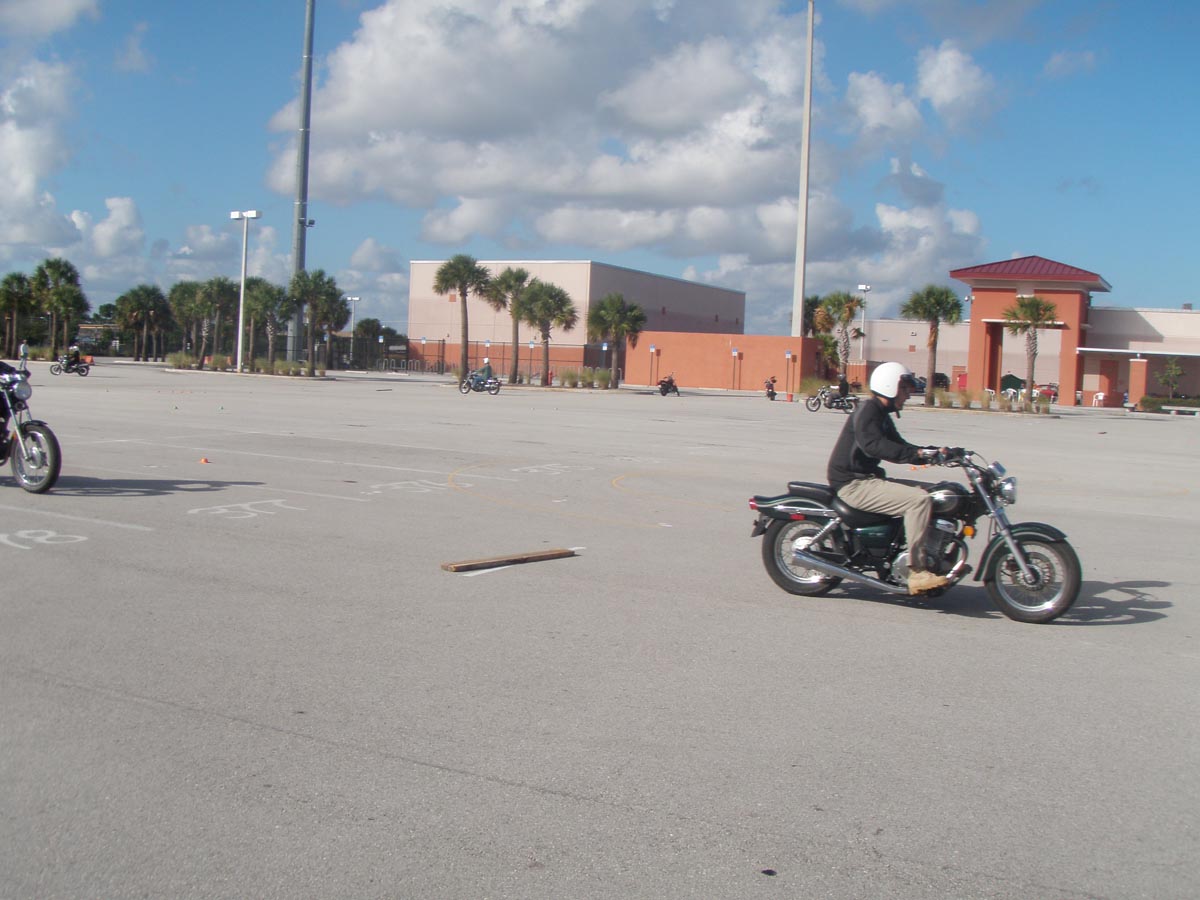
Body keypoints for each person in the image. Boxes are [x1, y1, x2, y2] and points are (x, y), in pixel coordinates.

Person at [826, 361, 950, 595]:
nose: (908, 394)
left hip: (866, 479)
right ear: (889, 386)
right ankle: (916, 572)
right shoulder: (868, 411)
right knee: (919, 501)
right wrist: (918, 454)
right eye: (904, 388)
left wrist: (935, 453)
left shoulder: (881, 414)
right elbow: (874, 446)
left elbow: (901, 446)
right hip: (853, 484)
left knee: (935, 493)